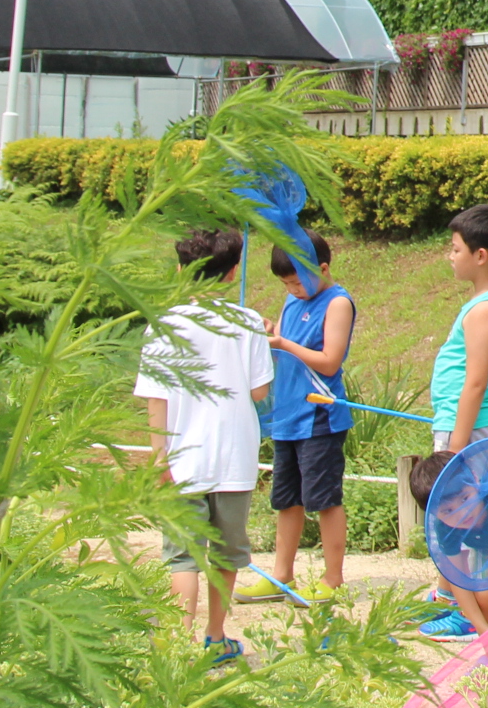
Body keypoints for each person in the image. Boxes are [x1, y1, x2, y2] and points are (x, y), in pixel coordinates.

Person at [134, 227, 273, 667]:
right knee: (227, 551)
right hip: (234, 455)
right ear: (234, 273)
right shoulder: (248, 322)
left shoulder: (164, 325)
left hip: (182, 458)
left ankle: (178, 646)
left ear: (181, 271)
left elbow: (156, 399)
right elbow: (259, 392)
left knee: (183, 556)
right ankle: (215, 637)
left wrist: (159, 457)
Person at [236, 234, 356, 606]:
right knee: (286, 499)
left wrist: (283, 344)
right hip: (287, 415)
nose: (291, 289)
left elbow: (329, 361)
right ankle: (281, 574)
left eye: (296, 281)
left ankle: (332, 578)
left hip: (319, 416)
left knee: (324, 499)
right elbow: (287, 345)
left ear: (322, 268)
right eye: (285, 284)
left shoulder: (337, 302)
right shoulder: (293, 299)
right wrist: (272, 335)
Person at [421, 202, 488, 639]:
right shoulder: (482, 305)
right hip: (464, 425)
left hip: (471, 430)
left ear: (481, 255)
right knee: (454, 519)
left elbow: (475, 383)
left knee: (463, 518)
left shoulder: (486, 310)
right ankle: (449, 597)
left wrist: (454, 448)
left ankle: (468, 612)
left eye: (456, 248)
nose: (450, 255)